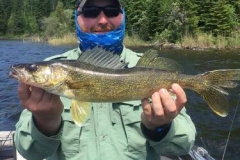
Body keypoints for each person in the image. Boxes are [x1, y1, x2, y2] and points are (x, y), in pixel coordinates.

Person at [14, 0, 196, 160]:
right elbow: (29, 152)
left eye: (111, 11)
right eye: (90, 12)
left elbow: (183, 145)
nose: (102, 20)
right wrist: (45, 123)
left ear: (123, 16)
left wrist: (159, 127)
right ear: (76, 18)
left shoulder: (150, 69)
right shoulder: (49, 74)